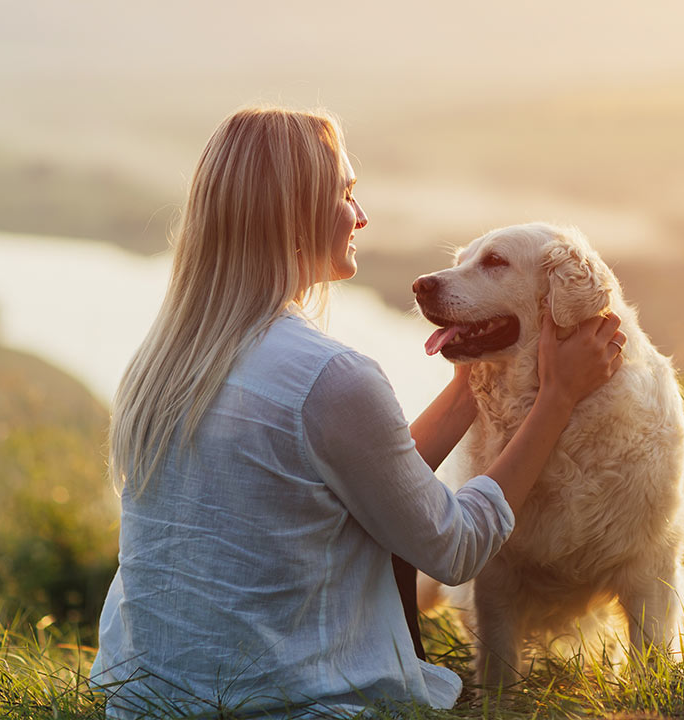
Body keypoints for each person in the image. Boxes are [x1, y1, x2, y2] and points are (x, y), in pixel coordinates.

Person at [90, 106, 625, 719]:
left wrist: (468, 382)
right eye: (347, 192)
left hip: (145, 706)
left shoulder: (161, 363)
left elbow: (373, 482)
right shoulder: (330, 376)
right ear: (296, 211)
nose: (361, 215)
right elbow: (453, 548)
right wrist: (556, 400)